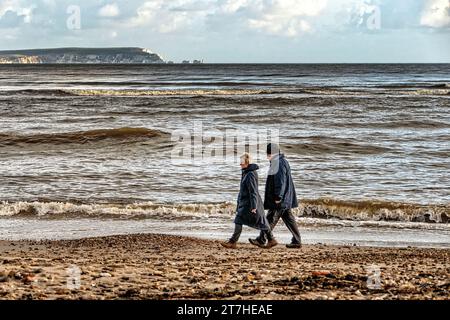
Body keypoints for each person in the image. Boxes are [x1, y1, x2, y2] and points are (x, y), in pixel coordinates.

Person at [249, 143, 302, 249]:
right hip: (285, 198)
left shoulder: (277, 162)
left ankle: (262, 239)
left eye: (268, 153)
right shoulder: (281, 161)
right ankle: (297, 241)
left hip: (280, 199)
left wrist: (278, 197)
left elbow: (280, 181)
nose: (267, 156)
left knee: (270, 218)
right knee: (289, 219)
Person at [221, 153, 278, 249]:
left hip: (250, 203)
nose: (240, 164)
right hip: (246, 202)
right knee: (260, 221)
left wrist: (254, 206)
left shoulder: (250, 174)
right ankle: (271, 239)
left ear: (247, 162)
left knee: (246, 220)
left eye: (241, 162)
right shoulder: (246, 172)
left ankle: (232, 242)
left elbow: (253, 191)